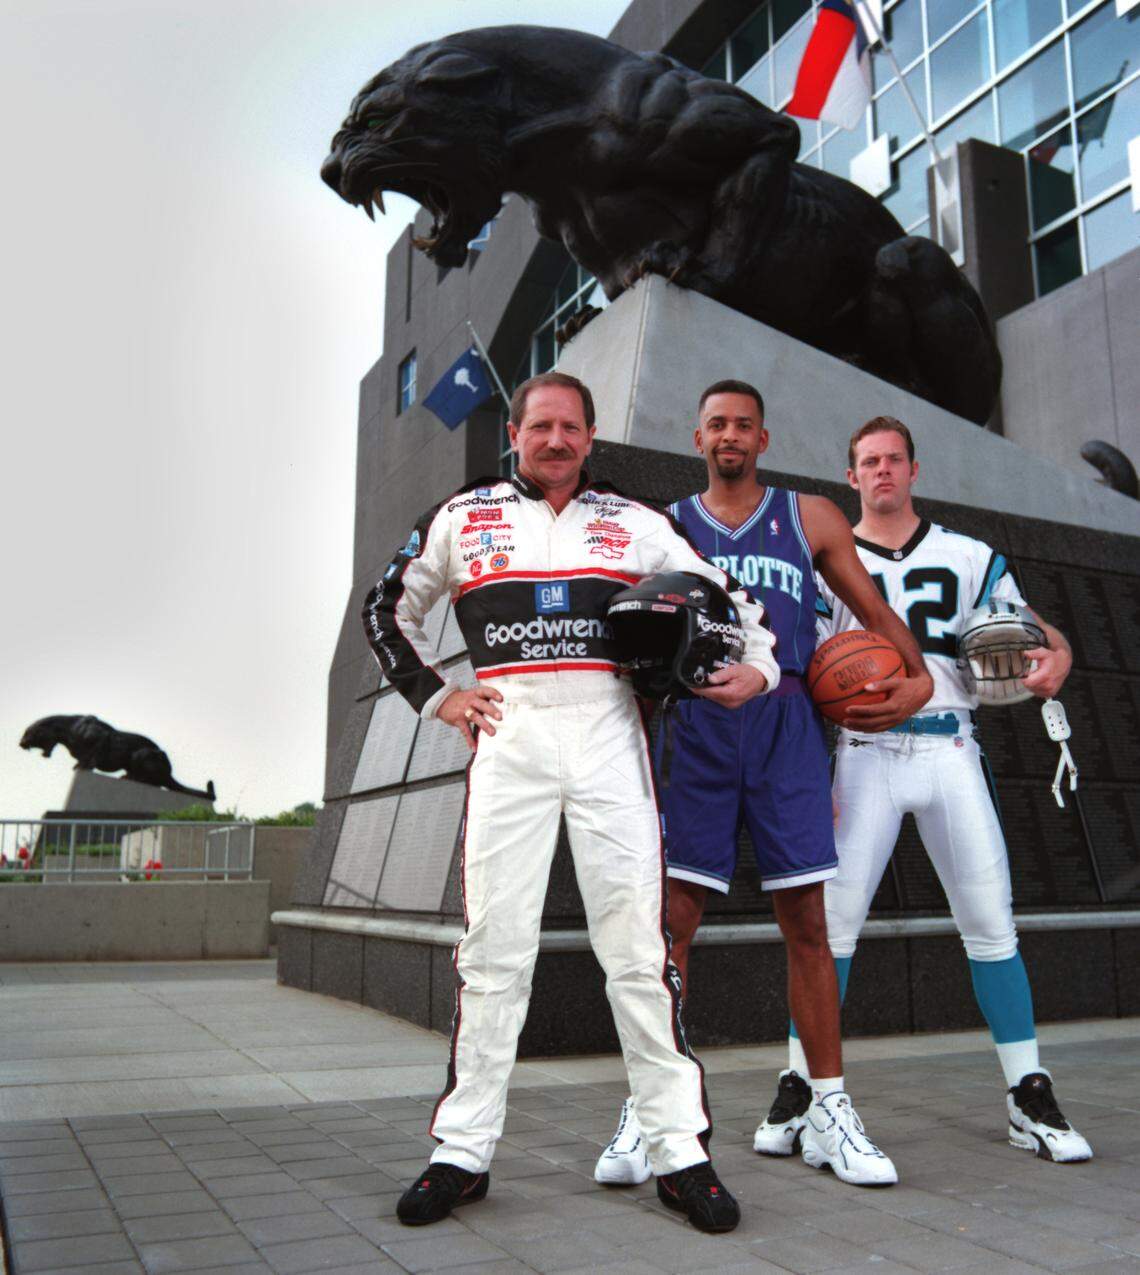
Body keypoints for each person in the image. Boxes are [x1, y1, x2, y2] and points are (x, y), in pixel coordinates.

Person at [363, 371, 782, 1233]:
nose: (555, 440)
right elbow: (384, 607)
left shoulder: (632, 522)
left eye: (571, 428)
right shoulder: (463, 515)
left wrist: (762, 667)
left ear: (591, 437)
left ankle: (678, 1150)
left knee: (637, 948)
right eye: (539, 426)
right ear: (514, 433)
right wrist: (438, 695)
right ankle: (462, 1151)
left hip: (607, 735)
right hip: (508, 736)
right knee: (494, 953)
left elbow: (732, 601)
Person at [595, 381, 933, 1190]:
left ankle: (827, 1106)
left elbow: (873, 612)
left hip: (784, 725)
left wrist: (918, 679)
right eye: (717, 423)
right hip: (698, 726)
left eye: (744, 423)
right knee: (671, 921)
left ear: (764, 437)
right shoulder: (665, 525)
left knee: (808, 920)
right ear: (698, 435)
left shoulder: (809, 515)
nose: (731, 435)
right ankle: (656, 1101)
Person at [755, 415, 1092, 1163]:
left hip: (950, 746)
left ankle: (1027, 1091)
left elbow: (1035, 630)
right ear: (850, 477)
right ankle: (800, 1081)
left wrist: (1060, 653)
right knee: (829, 928)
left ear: (914, 469)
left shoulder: (970, 555)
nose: (881, 472)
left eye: (893, 460)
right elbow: (801, 665)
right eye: (867, 462)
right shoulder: (824, 559)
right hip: (865, 748)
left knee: (990, 923)